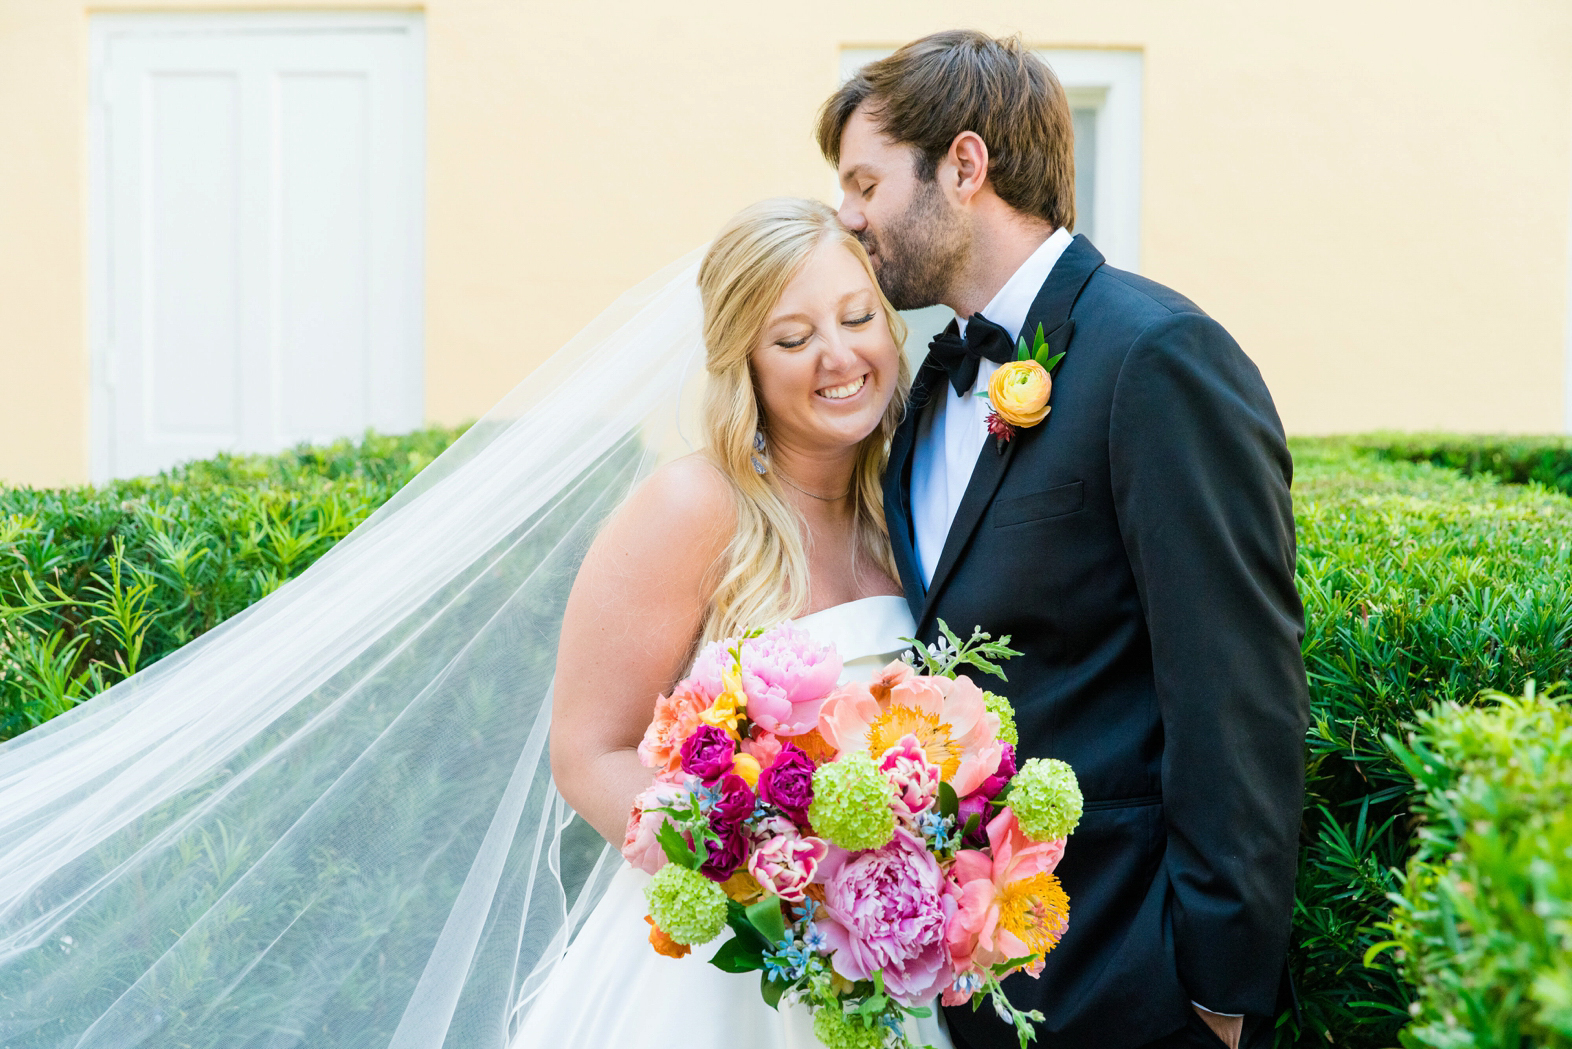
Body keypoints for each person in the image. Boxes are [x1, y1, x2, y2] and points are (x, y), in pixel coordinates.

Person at [816, 31, 1310, 1049]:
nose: (847, 213)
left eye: (866, 180)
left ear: (964, 165)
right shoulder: (926, 388)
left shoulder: (1158, 356)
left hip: (1136, 978)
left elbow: (1237, 691)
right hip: (980, 981)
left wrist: (1219, 986)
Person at [516, 197, 952, 1047]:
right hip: (717, 972)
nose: (839, 356)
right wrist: (759, 881)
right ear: (744, 363)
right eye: (792, 339)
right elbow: (586, 750)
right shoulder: (693, 506)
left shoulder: (916, 504)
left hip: (892, 967)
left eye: (858, 317)